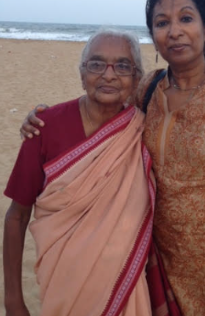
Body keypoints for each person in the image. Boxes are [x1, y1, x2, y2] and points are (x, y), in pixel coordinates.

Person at [18, 0, 205, 316]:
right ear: (154, 37)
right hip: (151, 252)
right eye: (162, 22)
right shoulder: (148, 89)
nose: (174, 31)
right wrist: (42, 115)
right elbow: (104, 105)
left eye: (185, 18)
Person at [3, 30, 156, 316]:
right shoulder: (44, 127)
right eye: (96, 64)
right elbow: (16, 215)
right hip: (60, 286)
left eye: (122, 66)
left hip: (124, 287)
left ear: (136, 79)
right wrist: (13, 299)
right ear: (82, 74)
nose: (109, 75)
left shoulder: (145, 131)